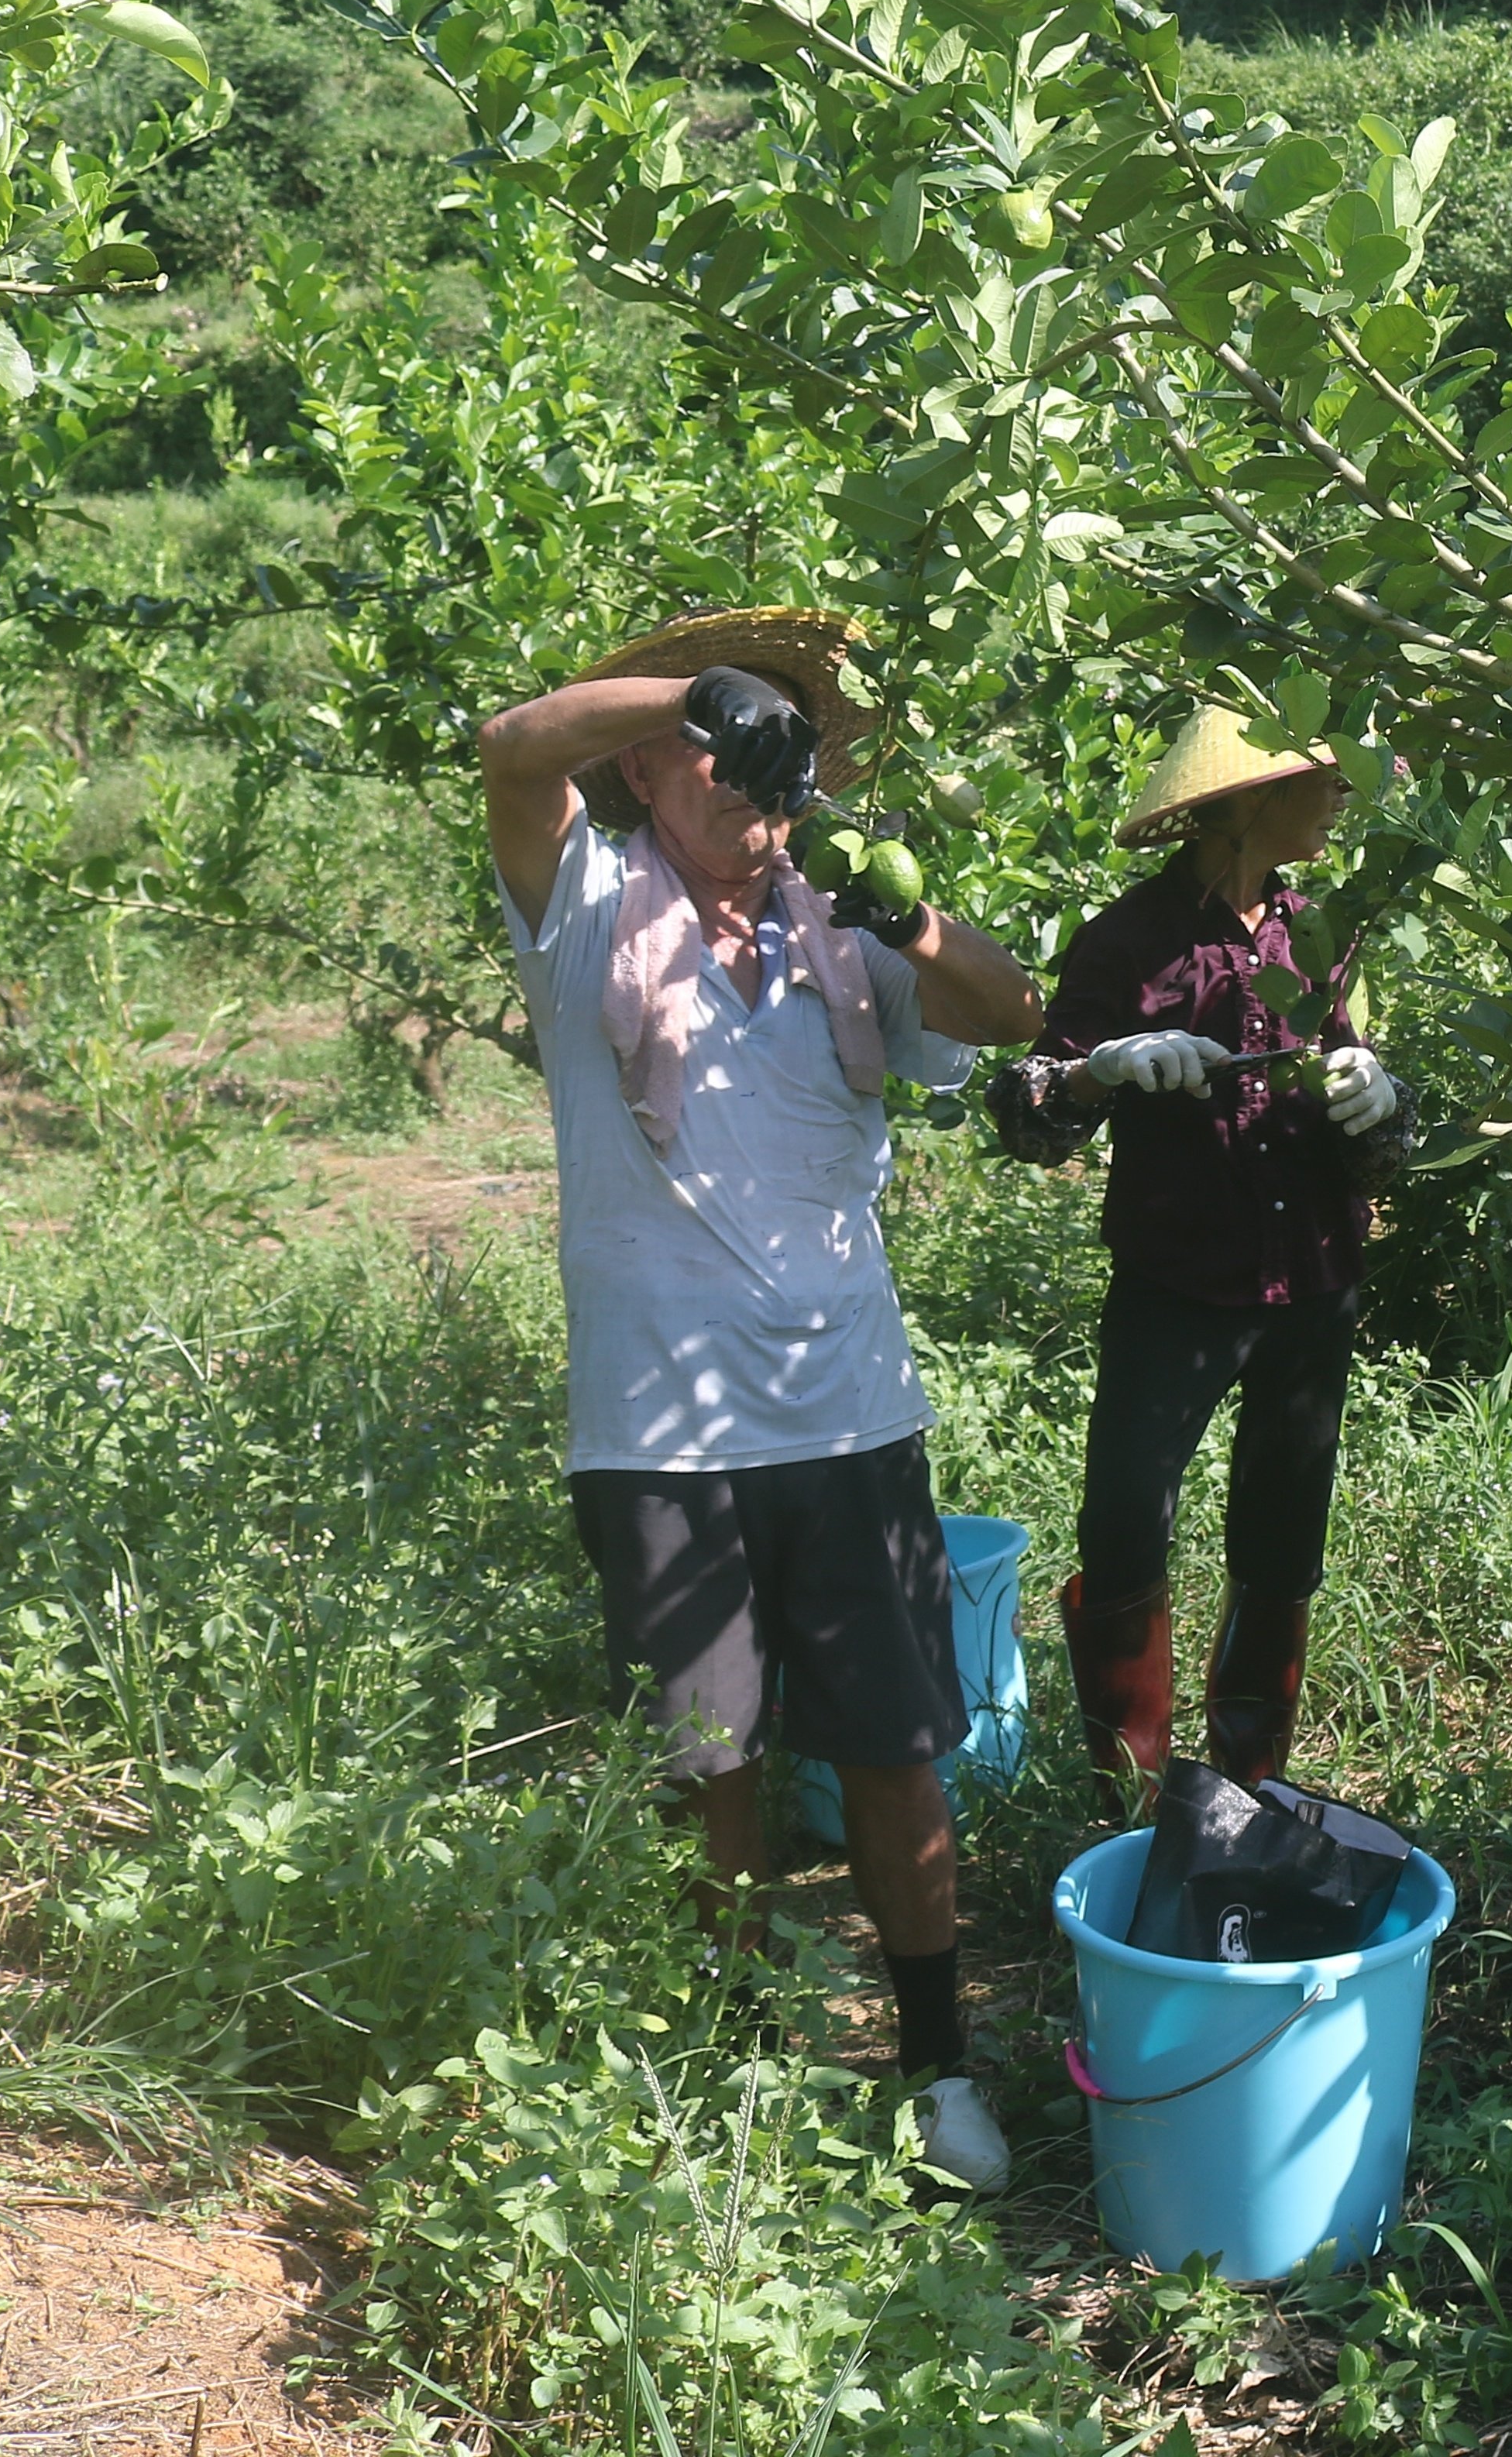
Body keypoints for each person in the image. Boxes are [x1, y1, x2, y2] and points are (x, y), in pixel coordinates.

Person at [478, 608, 1057, 2195]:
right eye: (717, 748)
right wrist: (696, 690)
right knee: (712, 1762)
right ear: (651, 764)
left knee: (896, 1746)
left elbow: (1018, 1013)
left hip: (852, 1420)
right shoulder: (586, 909)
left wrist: (922, 923)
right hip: (661, 1430)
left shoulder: (846, 934)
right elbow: (511, 749)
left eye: (775, 751)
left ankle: (936, 2064)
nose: (747, 779)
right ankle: (740, 2058)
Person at [1041, 706, 1403, 1802]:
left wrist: (1385, 1098)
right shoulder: (1125, 942)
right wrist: (1100, 1069)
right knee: (1125, 1516)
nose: (1339, 797)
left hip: (1312, 1276)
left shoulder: (1325, 933)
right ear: (1245, 800)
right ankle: (1132, 1786)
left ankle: (1247, 1778)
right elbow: (1033, 1111)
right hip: (1179, 1277)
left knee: (1285, 1523)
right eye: (1318, 780)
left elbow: (1379, 1135)